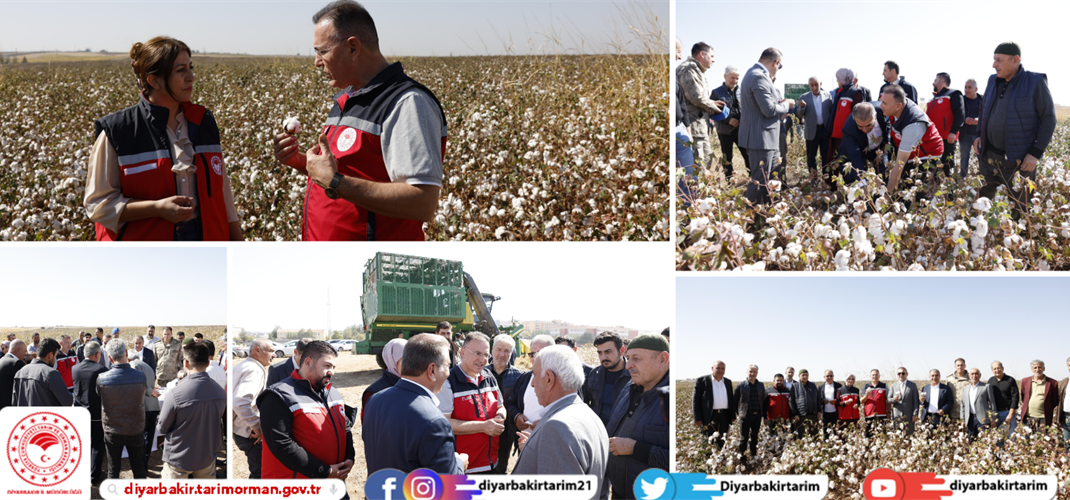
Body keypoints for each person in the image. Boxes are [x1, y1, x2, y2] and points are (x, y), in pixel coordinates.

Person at [272, 0, 445, 241]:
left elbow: (422, 203)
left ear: (353, 48)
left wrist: (335, 182)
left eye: (322, 51)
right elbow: (349, 171)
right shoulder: (347, 99)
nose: (316, 62)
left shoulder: (407, 103)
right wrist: (301, 162)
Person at [84, 36, 241, 241]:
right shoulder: (118, 131)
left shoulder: (204, 122)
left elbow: (223, 195)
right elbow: (98, 205)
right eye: (181, 70)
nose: (191, 77)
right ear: (154, 81)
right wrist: (156, 208)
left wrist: (238, 245)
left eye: (190, 67)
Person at [363, 334, 467, 474]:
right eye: (448, 366)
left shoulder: (375, 400)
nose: (449, 372)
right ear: (432, 370)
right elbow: (446, 482)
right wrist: (459, 463)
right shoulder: (434, 421)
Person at [513, 345, 608, 494]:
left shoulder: (556, 427)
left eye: (535, 375)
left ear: (549, 379)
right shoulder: (590, 416)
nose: (532, 383)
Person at [975, 42, 1057, 212]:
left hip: (1018, 163)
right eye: (994, 59)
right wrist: (978, 134)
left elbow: (1049, 118)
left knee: (1020, 210)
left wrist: (1035, 154)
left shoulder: (1035, 82)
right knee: (982, 204)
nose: (994, 65)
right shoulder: (992, 80)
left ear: (1015, 60)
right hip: (988, 157)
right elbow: (983, 108)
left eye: (999, 60)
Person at [257, 341, 355, 481]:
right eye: (327, 366)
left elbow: (345, 426)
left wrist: (349, 457)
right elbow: (281, 444)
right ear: (308, 363)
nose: (332, 372)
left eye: (333, 367)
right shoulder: (278, 396)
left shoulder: (333, 393)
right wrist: (323, 471)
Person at [604, 334, 669, 500]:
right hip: (618, 492)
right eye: (628, 358)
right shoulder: (630, 386)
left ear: (662, 359)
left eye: (636, 358)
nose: (628, 366)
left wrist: (636, 449)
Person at [437, 333, 505, 474]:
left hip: (491, 462)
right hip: (464, 467)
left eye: (486, 355)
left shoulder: (489, 377)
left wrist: (500, 417)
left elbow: (501, 406)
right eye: (477, 353)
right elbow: (444, 423)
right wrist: (483, 427)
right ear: (462, 352)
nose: (482, 360)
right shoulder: (448, 382)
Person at [157, 342, 226, 478]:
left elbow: (162, 428)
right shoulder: (220, 392)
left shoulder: (175, 393)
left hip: (178, 459)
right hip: (207, 457)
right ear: (208, 363)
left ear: (186, 363)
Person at [740, 48, 794, 205]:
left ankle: (767, 212)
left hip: (765, 138)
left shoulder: (755, 74)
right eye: (780, 66)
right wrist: (787, 105)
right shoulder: (758, 76)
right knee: (758, 181)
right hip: (761, 139)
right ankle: (752, 215)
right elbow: (769, 109)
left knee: (768, 179)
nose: (778, 69)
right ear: (775, 63)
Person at [881, 85, 944, 195]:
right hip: (911, 152)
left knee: (918, 192)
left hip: (927, 154)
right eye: (881, 101)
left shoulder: (913, 124)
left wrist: (887, 196)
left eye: (884, 103)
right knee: (903, 190)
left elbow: (900, 164)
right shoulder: (895, 109)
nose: (881, 106)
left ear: (898, 106)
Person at [98, 339, 147, 479]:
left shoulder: (102, 378)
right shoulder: (140, 376)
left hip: (112, 429)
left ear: (109, 357)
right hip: (135, 427)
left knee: (113, 469)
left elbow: (100, 395)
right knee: (138, 467)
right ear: (126, 353)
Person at [676, 42, 724, 171]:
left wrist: (711, 104)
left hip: (699, 127)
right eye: (712, 56)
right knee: (698, 166)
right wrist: (714, 107)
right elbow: (697, 97)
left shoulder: (696, 70)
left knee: (706, 161)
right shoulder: (689, 69)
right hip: (693, 127)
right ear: (702, 54)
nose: (713, 60)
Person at [232, 338, 274, 479]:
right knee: (260, 475)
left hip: (240, 429)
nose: (274, 355)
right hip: (250, 433)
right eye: (271, 351)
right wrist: (257, 426)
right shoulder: (255, 370)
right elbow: (240, 401)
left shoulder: (243, 365)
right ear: (258, 351)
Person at [72, 341, 109, 484]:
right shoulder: (102, 369)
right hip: (95, 414)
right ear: (97, 354)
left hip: (79, 413)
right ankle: (94, 475)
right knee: (96, 445)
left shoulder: (75, 368)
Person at [506, 335, 555, 439]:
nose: (535, 358)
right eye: (532, 354)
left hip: (551, 440)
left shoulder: (564, 382)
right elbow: (511, 403)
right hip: (524, 440)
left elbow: (571, 411)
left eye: (540, 353)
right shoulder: (523, 378)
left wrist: (547, 423)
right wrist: (517, 416)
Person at [487, 334, 522, 474]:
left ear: (512, 353)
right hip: (484, 428)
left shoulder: (520, 376)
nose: (501, 354)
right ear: (492, 350)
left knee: (501, 467)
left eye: (506, 351)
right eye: (498, 349)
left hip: (507, 431)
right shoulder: (481, 373)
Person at [825, 68, 867, 185]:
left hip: (846, 136)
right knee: (832, 162)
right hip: (835, 135)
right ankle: (832, 187)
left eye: (838, 78)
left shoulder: (856, 93)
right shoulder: (840, 92)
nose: (837, 81)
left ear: (843, 78)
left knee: (845, 163)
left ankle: (851, 186)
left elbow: (858, 115)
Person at [583, 332, 632, 426]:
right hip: (597, 429)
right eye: (600, 353)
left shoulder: (633, 376)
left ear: (622, 351)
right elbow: (585, 404)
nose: (603, 357)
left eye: (608, 352)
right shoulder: (594, 374)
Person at [712, 66, 748, 182]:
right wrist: (728, 120)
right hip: (724, 131)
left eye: (737, 78)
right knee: (727, 157)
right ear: (725, 76)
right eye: (732, 78)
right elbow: (711, 113)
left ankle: (752, 179)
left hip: (741, 130)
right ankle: (729, 182)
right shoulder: (716, 93)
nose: (735, 81)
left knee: (747, 154)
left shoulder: (743, 91)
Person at [13, 338, 73, 406]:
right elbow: (67, 401)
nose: (55, 359)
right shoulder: (51, 373)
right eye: (55, 356)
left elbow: (14, 403)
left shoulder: (19, 373)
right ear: (50, 355)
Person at [795, 77, 832, 185]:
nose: (814, 87)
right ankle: (814, 179)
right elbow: (799, 114)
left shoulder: (827, 96)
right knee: (811, 157)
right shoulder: (804, 97)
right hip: (811, 132)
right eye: (811, 85)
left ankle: (826, 179)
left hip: (825, 131)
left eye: (816, 84)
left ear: (821, 83)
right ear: (809, 86)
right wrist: (802, 107)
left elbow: (831, 112)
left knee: (826, 156)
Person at [928, 73, 965, 177]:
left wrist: (953, 132)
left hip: (947, 138)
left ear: (942, 81)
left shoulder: (954, 94)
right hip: (933, 138)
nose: (933, 83)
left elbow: (960, 114)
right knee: (932, 167)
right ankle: (935, 186)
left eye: (935, 81)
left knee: (947, 165)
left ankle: (950, 186)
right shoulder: (933, 98)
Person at [361, 338, 405, 425]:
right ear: (391, 360)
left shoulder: (416, 385)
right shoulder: (373, 392)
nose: (410, 364)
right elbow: (369, 427)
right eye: (405, 360)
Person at [838, 103, 885, 183]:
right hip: (858, 149)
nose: (865, 130)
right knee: (852, 177)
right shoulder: (849, 128)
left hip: (878, 150)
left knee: (884, 172)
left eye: (869, 125)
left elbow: (887, 131)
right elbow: (855, 155)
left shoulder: (884, 112)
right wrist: (862, 183)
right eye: (860, 126)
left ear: (875, 116)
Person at [128, 349, 160, 472]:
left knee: (140, 438)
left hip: (143, 406)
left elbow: (137, 381)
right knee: (148, 438)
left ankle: (141, 466)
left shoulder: (133, 364)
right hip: (153, 407)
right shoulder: (147, 366)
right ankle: (144, 465)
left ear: (129, 359)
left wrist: (149, 391)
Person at [692, 360, 735, 449]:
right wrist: (697, 418)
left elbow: (731, 399)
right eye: (717, 368)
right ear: (712, 368)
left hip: (724, 415)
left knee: (722, 440)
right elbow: (696, 401)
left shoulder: (727, 382)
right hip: (709, 416)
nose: (720, 370)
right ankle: (707, 455)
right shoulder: (702, 381)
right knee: (708, 440)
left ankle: (721, 455)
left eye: (722, 368)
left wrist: (732, 415)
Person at [734, 365, 765, 459]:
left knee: (754, 436)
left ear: (757, 373)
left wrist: (763, 414)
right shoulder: (741, 385)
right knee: (744, 437)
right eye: (750, 371)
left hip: (757, 415)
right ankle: (742, 456)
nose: (752, 373)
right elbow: (734, 400)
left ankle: (753, 455)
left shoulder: (760, 385)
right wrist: (738, 413)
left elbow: (763, 399)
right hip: (745, 415)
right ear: (747, 372)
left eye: (754, 372)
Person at [1020, 359, 1059, 428]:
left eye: (1040, 367)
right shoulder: (1025, 381)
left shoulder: (1052, 383)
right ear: (1032, 369)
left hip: (1044, 417)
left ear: (1044, 368)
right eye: (1035, 368)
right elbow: (1024, 397)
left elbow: (1055, 400)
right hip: (1028, 417)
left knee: (1043, 435)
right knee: (1028, 434)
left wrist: (1047, 407)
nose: (1037, 370)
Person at [961, 368, 996, 440]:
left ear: (980, 375)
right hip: (970, 419)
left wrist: (993, 419)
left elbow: (992, 404)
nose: (974, 376)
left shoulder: (986, 386)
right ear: (969, 376)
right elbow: (962, 405)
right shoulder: (965, 388)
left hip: (983, 419)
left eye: (976, 374)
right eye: (972, 374)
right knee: (971, 440)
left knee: (984, 440)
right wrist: (962, 419)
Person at [959, 79, 984, 177]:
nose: (967, 90)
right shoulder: (961, 100)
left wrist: (979, 120)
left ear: (976, 89)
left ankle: (983, 179)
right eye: (965, 87)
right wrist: (964, 119)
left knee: (981, 158)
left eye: (969, 87)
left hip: (979, 136)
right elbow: (956, 115)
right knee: (964, 158)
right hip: (965, 135)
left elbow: (988, 115)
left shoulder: (983, 100)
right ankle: (963, 179)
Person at [988, 360, 1019, 436]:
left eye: (998, 368)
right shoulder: (990, 381)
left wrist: (1011, 414)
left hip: (1008, 412)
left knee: (1011, 434)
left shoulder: (1010, 380)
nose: (997, 370)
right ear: (992, 371)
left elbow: (1015, 398)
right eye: (994, 369)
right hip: (995, 413)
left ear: (1002, 368)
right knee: (996, 435)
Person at [888, 366, 920, 436]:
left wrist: (915, 414)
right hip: (897, 416)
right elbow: (888, 399)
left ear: (907, 374)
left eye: (903, 373)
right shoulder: (893, 386)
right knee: (897, 436)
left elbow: (916, 401)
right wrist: (894, 400)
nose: (901, 375)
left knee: (909, 436)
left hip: (909, 416)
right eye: (899, 373)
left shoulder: (912, 385)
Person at [789, 368, 820, 437]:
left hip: (813, 415)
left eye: (806, 375)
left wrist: (819, 411)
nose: (805, 377)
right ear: (799, 376)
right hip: (801, 415)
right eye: (803, 375)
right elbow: (791, 401)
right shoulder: (795, 386)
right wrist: (794, 414)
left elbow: (818, 398)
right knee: (802, 435)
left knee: (814, 434)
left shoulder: (813, 385)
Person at [0, 340, 28, 410]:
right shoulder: (16, 363)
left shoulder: (2, 360)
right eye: (25, 351)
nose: (25, 354)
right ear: (18, 350)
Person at [860, 369, 888, 436]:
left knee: (882, 435)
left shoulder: (884, 386)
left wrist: (889, 412)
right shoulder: (866, 386)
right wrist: (866, 395)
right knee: (869, 435)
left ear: (879, 376)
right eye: (873, 375)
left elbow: (888, 400)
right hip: (869, 415)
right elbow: (861, 401)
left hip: (881, 415)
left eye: (876, 375)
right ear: (870, 376)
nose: (874, 376)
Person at [946, 358, 970, 427]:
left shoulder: (970, 378)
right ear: (955, 367)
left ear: (965, 366)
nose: (960, 367)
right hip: (952, 413)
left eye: (961, 365)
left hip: (966, 413)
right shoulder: (949, 379)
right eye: (958, 365)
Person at [818, 370, 841, 438]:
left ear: (833, 376)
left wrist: (836, 401)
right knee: (826, 432)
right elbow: (817, 398)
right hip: (825, 413)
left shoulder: (838, 386)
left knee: (836, 431)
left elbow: (841, 398)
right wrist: (823, 400)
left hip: (835, 413)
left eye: (831, 376)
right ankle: (826, 443)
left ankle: (837, 443)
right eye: (827, 376)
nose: (829, 377)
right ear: (824, 377)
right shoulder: (821, 387)